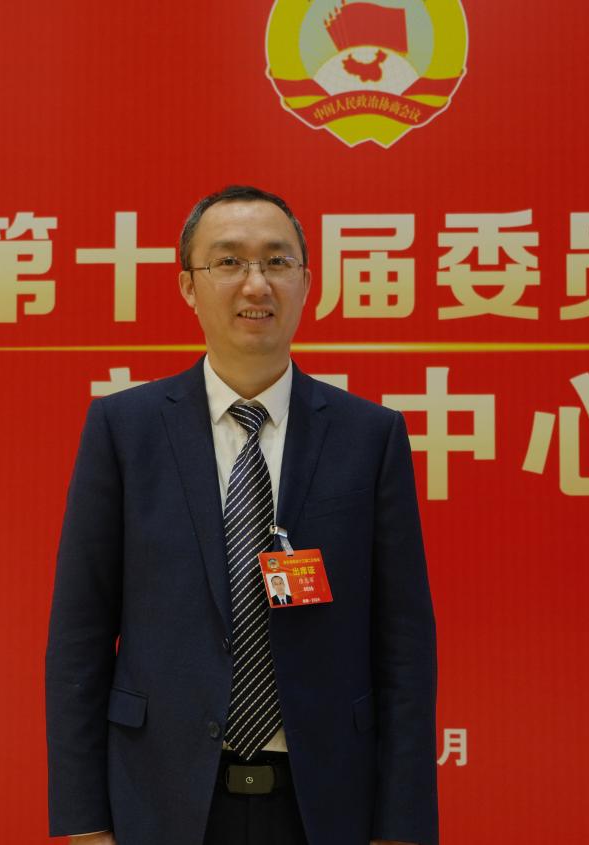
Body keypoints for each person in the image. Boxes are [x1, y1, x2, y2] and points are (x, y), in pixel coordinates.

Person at [45, 185, 437, 845]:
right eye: (228, 262)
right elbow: (79, 637)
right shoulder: (124, 430)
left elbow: (403, 646)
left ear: (306, 282)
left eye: (277, 262)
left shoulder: (368, 436)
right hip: (161, 799)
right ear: (188, 286)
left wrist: (401, 826)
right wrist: (82, 823)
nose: (256, 284)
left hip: (325, 804)